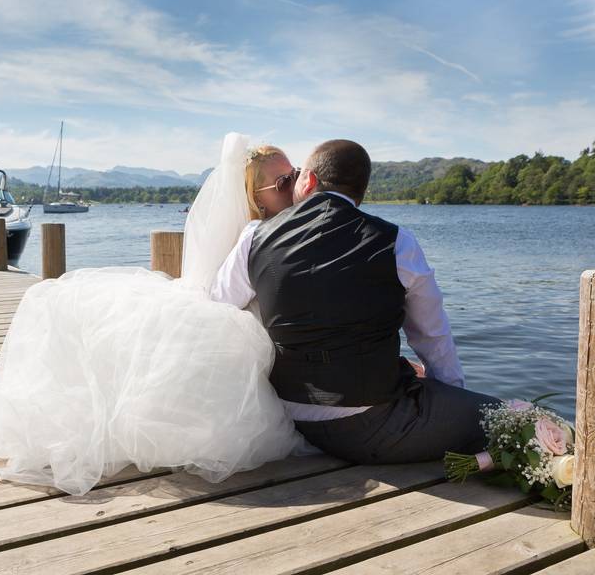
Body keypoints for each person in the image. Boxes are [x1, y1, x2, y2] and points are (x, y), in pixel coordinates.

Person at [0, 134, 304, 495]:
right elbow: (223, 297)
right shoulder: (254, 235)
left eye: (297, 174)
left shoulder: (274, 229)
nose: (295, 186)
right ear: (255, 198)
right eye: (283, 182)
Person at [212, 139, 498, 464]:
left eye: (296, 176)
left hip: (284, 412)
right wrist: (451, 395)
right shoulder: (396, 242)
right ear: (360, 193)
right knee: (513, 419)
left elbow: (217, 309)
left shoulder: (254, 238)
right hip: (369, 424)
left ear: (309, 180)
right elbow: (432, 336)